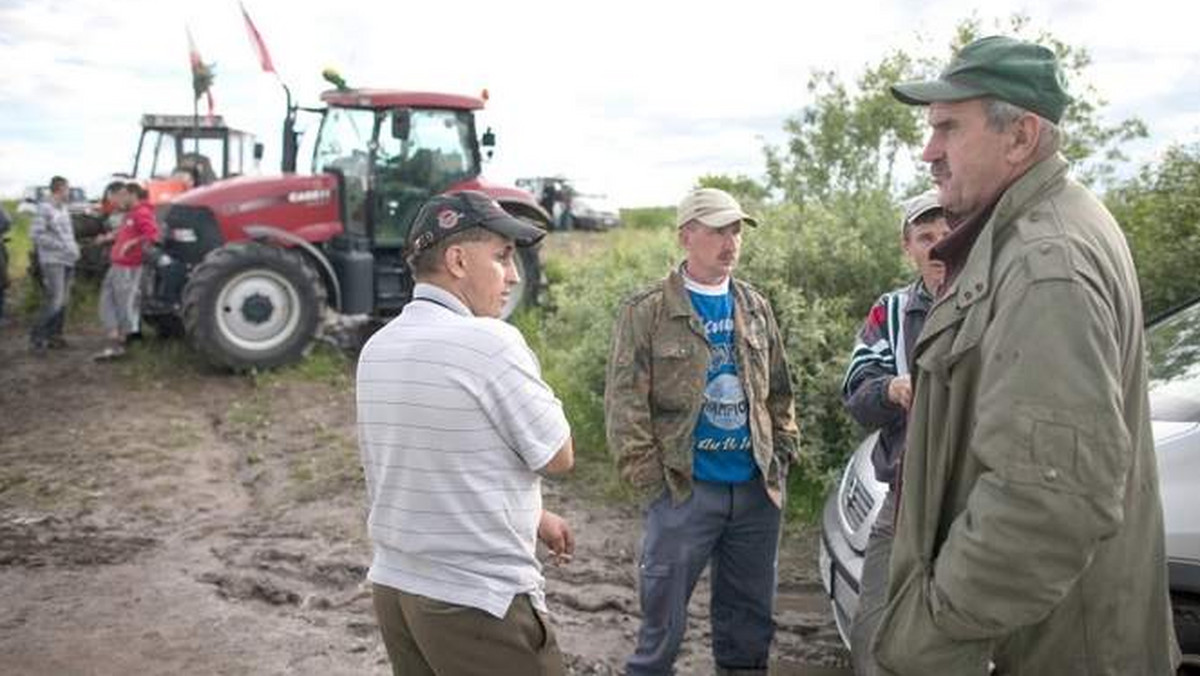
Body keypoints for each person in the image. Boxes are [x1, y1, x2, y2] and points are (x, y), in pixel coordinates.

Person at [871, 36, 1181, 674]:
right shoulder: (1032, 234)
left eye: (949, 128)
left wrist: (928, 634)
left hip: (1046, 650)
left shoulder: (1047, 264)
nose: (929, 152)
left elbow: (1048, 502)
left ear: (1021, 137)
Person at [356, 190, 575, 676]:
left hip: (398, 590)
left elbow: (434, 461)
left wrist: (533, 513)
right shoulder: (490, 341)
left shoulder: (378, 347)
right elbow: (558, 455)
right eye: (501, 257)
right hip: (478, 601)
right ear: (457, 260)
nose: (513, 276)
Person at [605, 187, 799, 675]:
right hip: (685, 491)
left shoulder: (755, 305)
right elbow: (625, 405)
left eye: (735, 230)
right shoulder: (646, 310)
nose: (730, 242)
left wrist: (782, 456)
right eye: (717, 230)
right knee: (660, 634)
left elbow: (779, 390)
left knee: (749, 630)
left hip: (755, 493)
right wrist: (654, 486)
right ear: (686, 235)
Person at [839, 190, 949, 676]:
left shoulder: (998, 299)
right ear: (908, 247)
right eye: (926, 236)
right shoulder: (892, 310)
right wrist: (892, 390)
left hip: (977, 499)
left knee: (957, 632)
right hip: (904, 498)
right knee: (874, 632)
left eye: (948, 233)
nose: (939, 245)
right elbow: (856, 397)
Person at [93, 182, 159, 361]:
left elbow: (153, 235)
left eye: (124, 195)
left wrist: (132, 243)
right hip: (117, 264)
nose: (121, 199)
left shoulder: (142, 213)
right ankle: (115, 337)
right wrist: (108, 237)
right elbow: (125, 232)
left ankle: (119, 344)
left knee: (123, 302)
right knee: (108, 301)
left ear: (132, 195)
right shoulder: (131, 214)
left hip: (129, 266)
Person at [29, 175, 79, 354]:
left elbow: (67, 234)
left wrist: (73, 249)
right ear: (59, 189)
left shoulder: (63, 209)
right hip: (53, 260)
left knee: (63, 301)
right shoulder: (45, 208)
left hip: (67, 259)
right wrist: (61, 247)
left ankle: (54, 336)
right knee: (55, 300)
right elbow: (36, 234)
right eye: (67, 189)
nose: (69, 192)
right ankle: (37, 337)